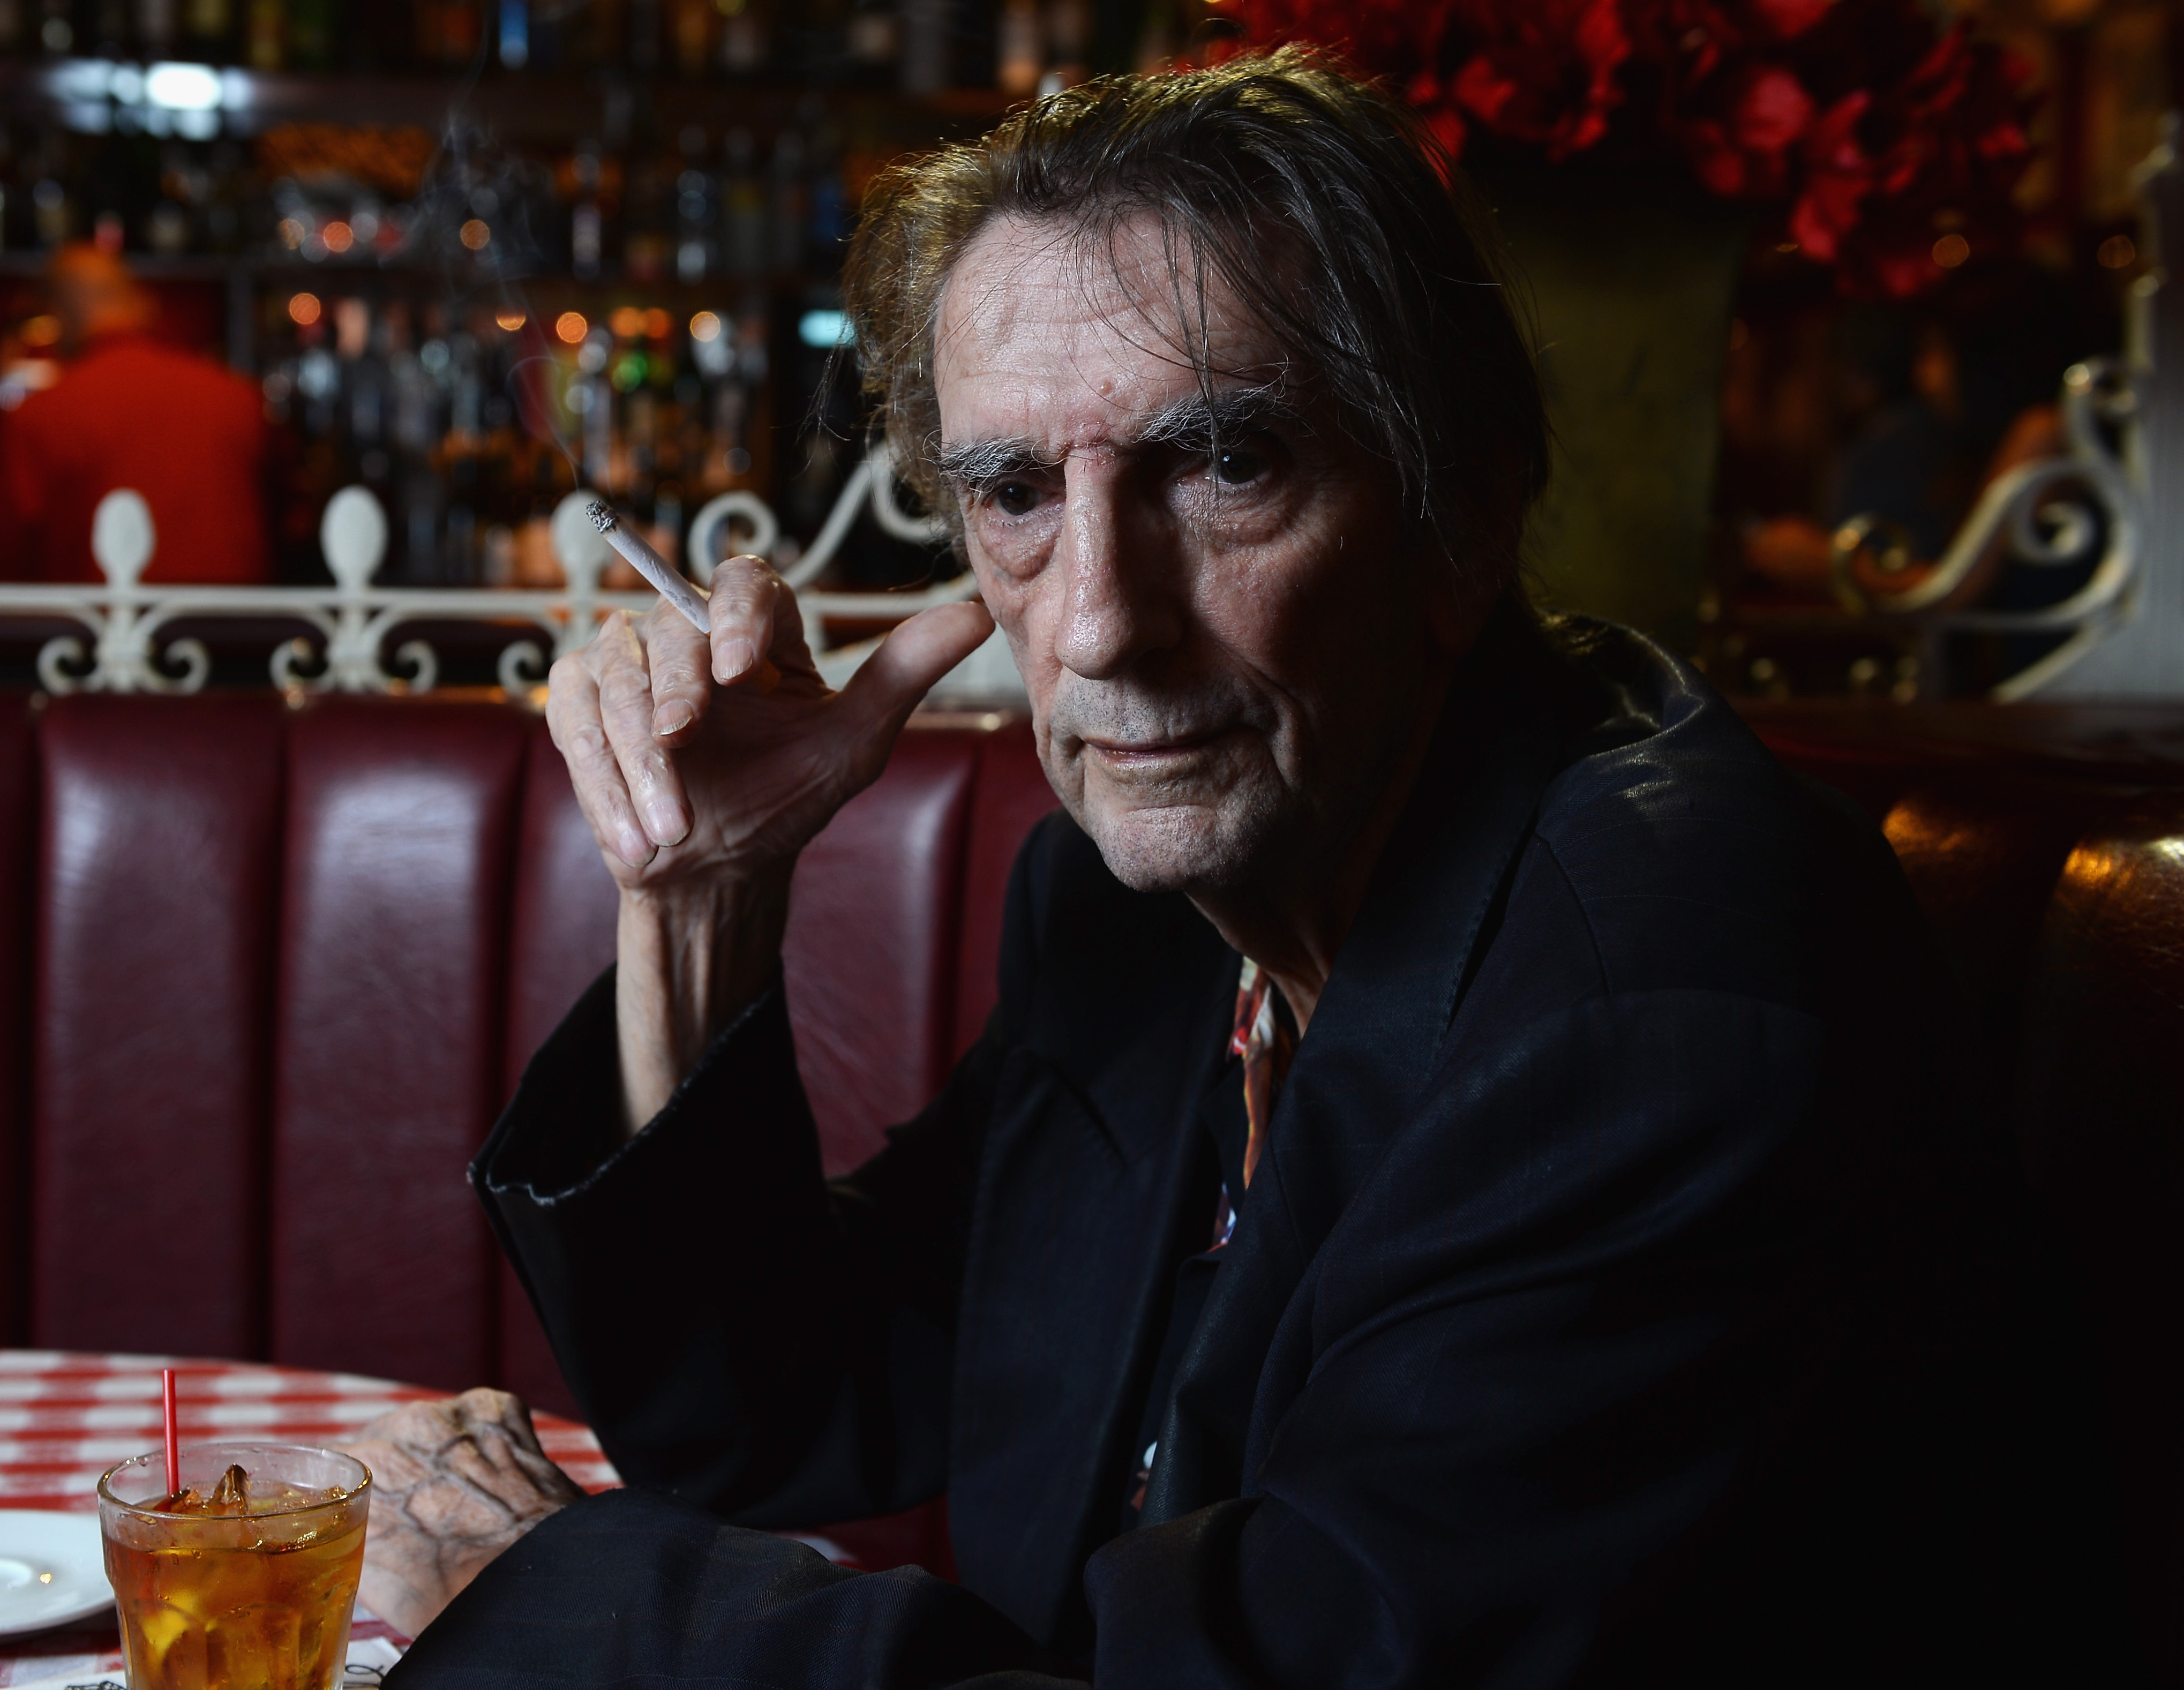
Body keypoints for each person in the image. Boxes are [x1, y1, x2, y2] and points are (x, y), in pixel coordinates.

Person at [356, 50, 2087, 1689]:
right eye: (1015, 492)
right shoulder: (1147, 915)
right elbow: (788, 1404)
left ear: (1462, 518)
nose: (1099, 621)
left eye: (1223, 464)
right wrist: (699, 893)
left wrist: (567, 1609)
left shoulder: (1654, 1030)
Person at [0, 243, 271, 583]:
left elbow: (14, 565)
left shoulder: (40, 418)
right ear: (144, 303)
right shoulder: (239, 398)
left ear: (60, 315)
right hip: (234, 616)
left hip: (97, 617)